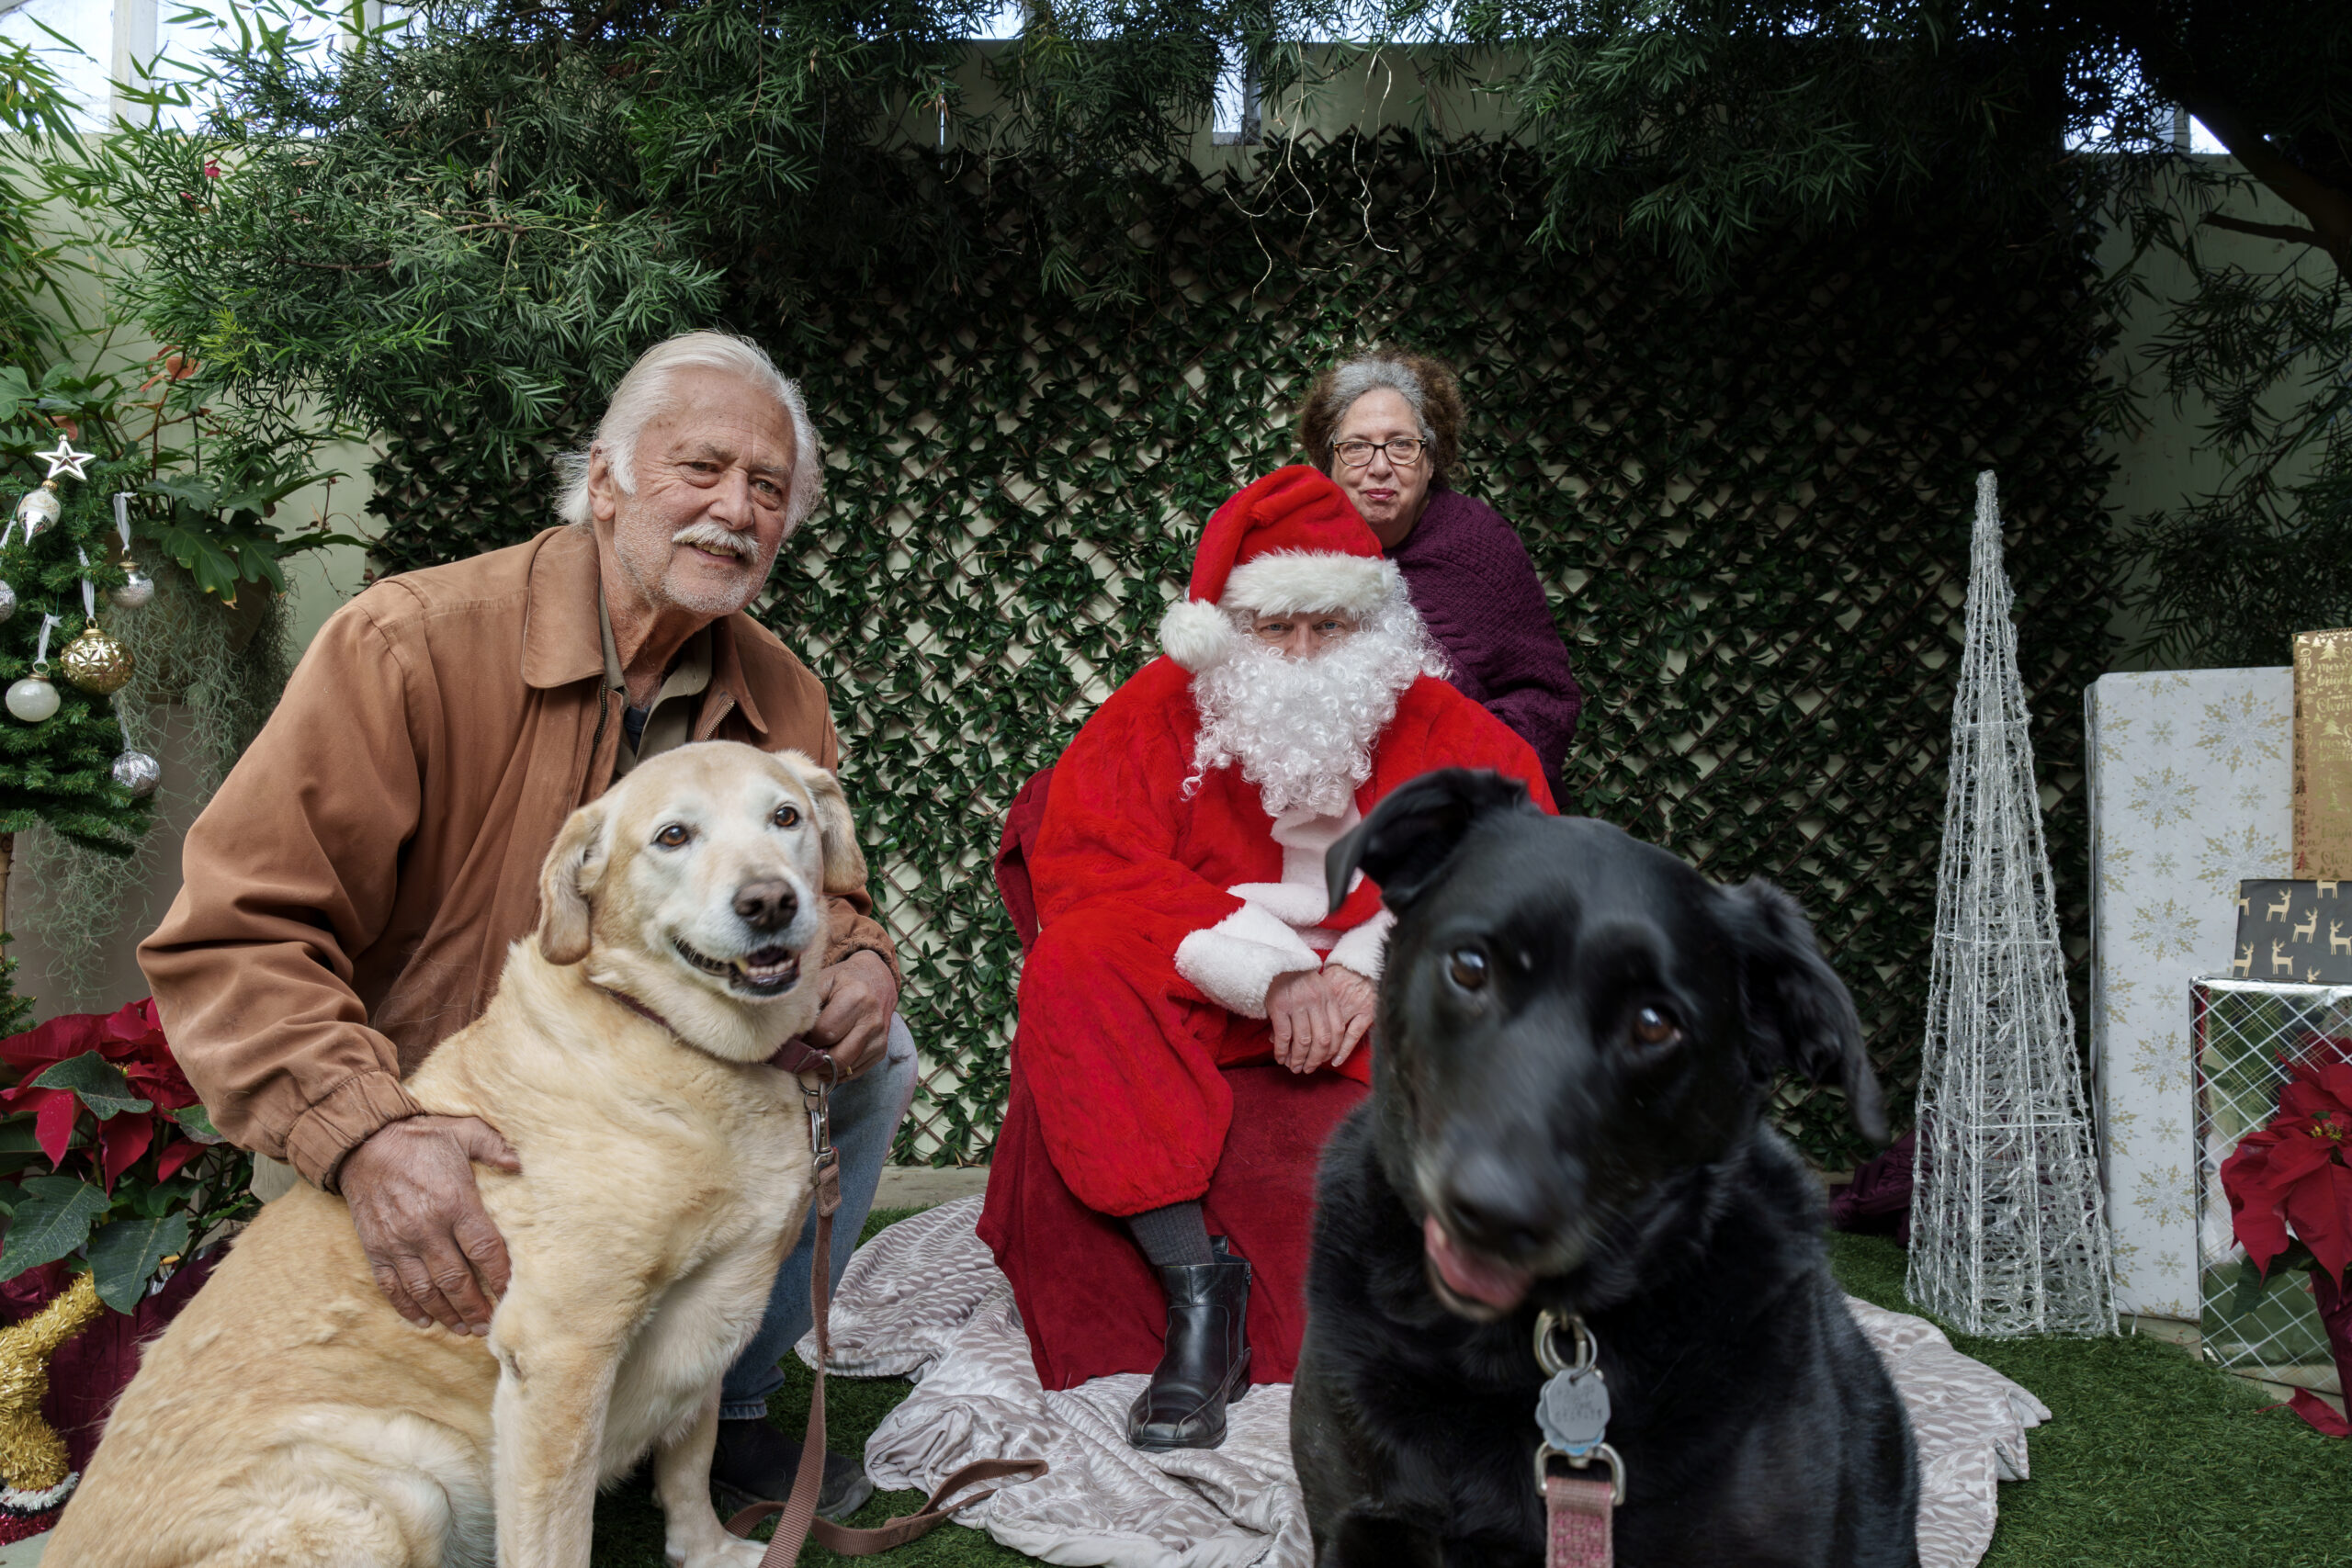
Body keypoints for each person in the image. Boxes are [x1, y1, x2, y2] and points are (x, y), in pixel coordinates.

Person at [137, 331, 913, 1521]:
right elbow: (239, 931)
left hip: (644, 1088)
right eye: (701, 468)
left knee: (877, 1055)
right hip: (432, 1091)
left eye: (768, 487)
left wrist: (857, 959)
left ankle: (725, 1395)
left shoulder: (783, 692)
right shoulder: (407, 642)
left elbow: (817, 891)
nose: (735, 508)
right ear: (604, 479)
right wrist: (367, 1134)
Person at [978, 466, 1555, 1451]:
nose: (1301, 653)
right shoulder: (1160, 709)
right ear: (1229, 630)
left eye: (1329, 626)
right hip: (1212, 994)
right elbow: (1088, 858)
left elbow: (1522, 860)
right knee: (1075, 961)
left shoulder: (1440, 721)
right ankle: (1200, 1288)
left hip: (1384, 1013)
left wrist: (1366, 967)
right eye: (1274, 627)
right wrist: (1270, 970)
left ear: (1372, 625)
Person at [1295, 349, 1584, 796]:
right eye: (1355, 447)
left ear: (1431, 461)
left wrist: (1464, 777)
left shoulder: (1479, 545)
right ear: (1328, 464)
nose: (1379, 467)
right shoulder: (1295, 550)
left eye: (1401, 445)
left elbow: (1544, 696)